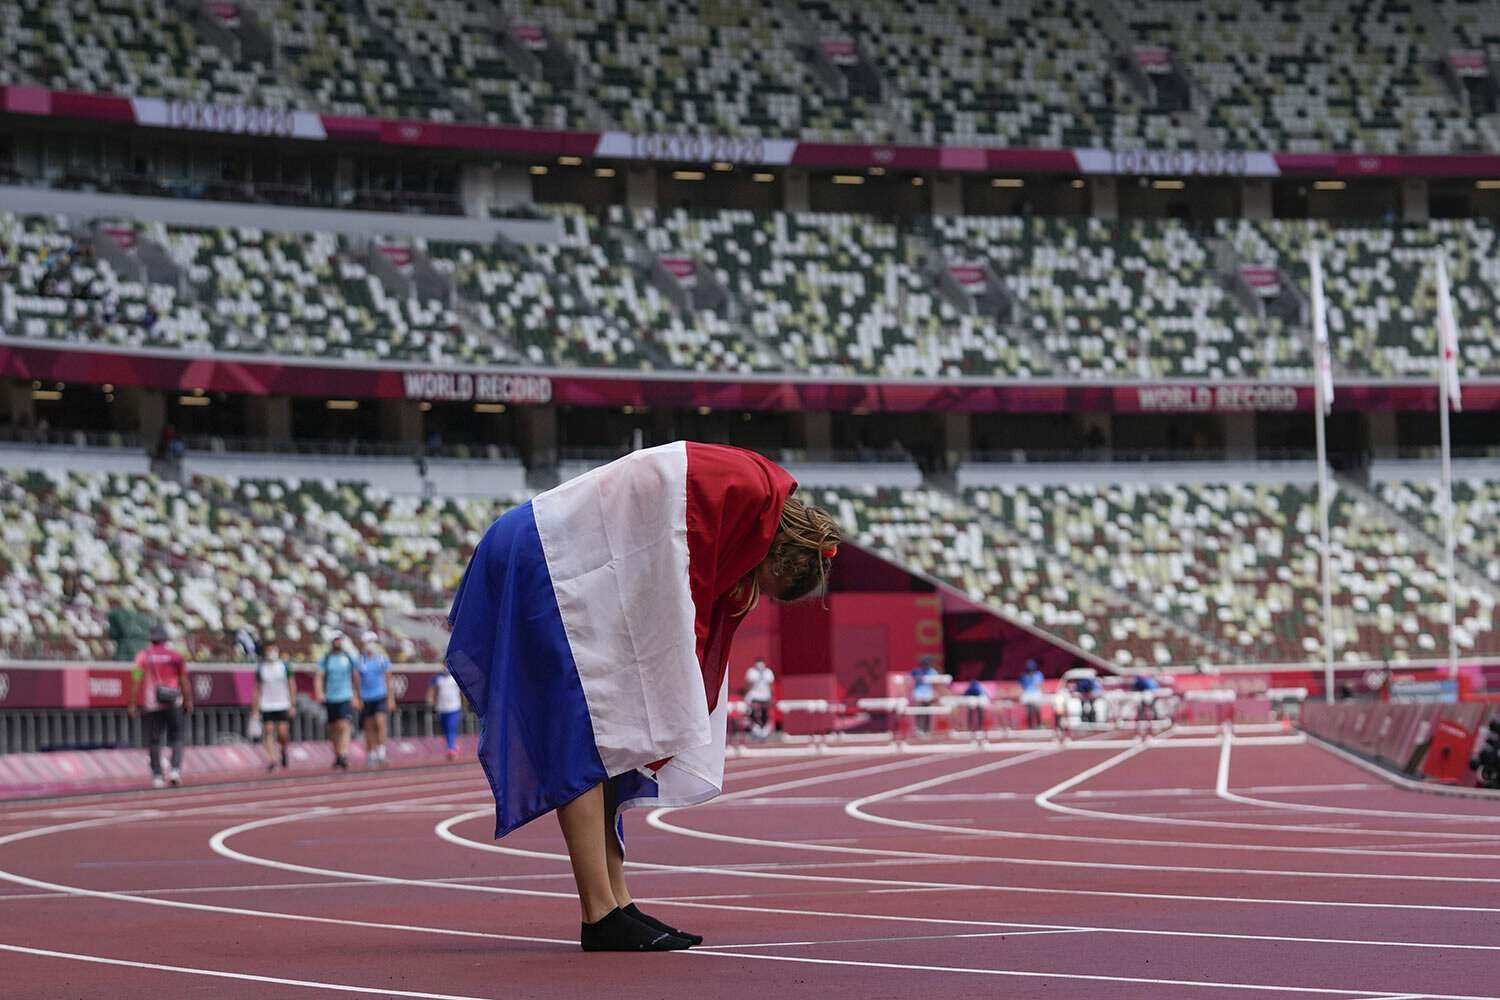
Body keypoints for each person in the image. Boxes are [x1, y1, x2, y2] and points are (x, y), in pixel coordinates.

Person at [446, 442, 840, 952]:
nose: (750, 592)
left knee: (616, 734)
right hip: (546, 561)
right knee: (584, 731)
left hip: (572, 563)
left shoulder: (754, 493)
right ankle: (599, 912)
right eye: (763, 583)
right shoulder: (745, 493)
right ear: (779, 557)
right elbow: (684, 596)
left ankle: (617, 900)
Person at [126, 623, 192, 788]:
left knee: (154, 741)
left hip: (152, 703)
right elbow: (184, 681)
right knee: (177, 737)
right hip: (173, 702)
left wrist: (132, 701)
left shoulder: (143, 656)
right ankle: (175, 770)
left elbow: (136, 678)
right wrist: (189, 700)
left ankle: (157, 776)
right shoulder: (175, 656)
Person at [314, 631, 361, 770]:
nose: (337, 642)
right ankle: (337, 753)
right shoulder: (326, 659)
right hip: (330, 697)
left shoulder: (348, 658)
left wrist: (355, 696)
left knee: (343, 725)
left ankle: (344, 753)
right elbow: (319, 677)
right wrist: (319, 693)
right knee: (333, 728)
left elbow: (354, 678)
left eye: (339, 640)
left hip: (344, 696)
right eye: (335, 640)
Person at [252, 638, 296, 772]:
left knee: (282, 733)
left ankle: (283, 749)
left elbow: (292, 685)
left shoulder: (284, 666)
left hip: (282, 703)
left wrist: (292, 704)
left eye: (273, 649)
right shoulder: (261, 668)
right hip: (267, 704)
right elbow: (257, 689)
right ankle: (272, 760)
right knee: (268, 732)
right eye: (268, 650)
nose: (270, 652)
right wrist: (255, 708)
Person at [357, 630, 394, 767]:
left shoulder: (382, 659)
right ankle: (371, 753)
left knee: (380, 723)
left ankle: (381, 752)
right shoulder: (360, 661)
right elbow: (355, 681)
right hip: (366, 697)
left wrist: (391, 699)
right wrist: (357, 698)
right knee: (369, 726)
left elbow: (388, 680)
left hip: (380, 695)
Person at [427, 669, 465, 760]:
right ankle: (452, 746)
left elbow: (463, 692)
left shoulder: (456, 677)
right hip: (442, 708)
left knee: (451, 726)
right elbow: (432, 689)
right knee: (445, 728)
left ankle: (450, 749)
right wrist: (430, 698)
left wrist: (464, 705)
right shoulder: (437, 678)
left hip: (454, 707)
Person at [743, 657, 775, 741]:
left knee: (765, 714)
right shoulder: (751, 672)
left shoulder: (768, 672)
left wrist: (772, 697)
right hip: (754, 696)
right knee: (751, 713)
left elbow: (771, 685)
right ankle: (755, 728)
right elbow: (749, 685)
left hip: (765, 696)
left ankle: (763, 730)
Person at [909, 655, 939, 735]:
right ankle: (919, 728)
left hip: (927, 695)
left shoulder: (932, 671)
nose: (926, 665)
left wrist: (936, 694)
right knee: (918, 711)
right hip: (918, 694)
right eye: (925, 663)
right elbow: (908, 680)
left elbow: (937, 683)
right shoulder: (916, 671)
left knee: (927, 711)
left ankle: (927, 729)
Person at [1019, 659, 1045, 729]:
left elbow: (1040, 685)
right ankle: (1030, 725)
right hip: (1027, 694)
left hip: (1036, 694)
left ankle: (1039, 724)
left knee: (1036, 709)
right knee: (1029, 710)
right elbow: (1020, 685)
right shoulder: (1023, 675)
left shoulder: (1038, 674)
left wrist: (1033, 680)